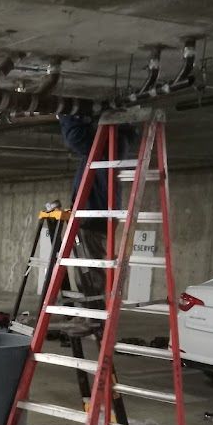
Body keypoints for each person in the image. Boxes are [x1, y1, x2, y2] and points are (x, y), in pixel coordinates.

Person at [59, 114, 136, 311]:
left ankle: (93, 315)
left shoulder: (109, 143)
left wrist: (68, 116)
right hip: (95, 213)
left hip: (94, 215)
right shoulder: (111, 142)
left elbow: (75, 138)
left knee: (89, 270)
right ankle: (92, 314)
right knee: (88, 268)